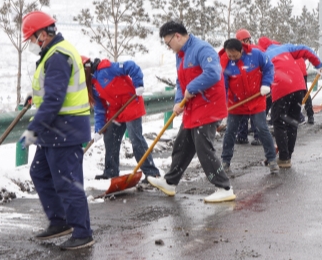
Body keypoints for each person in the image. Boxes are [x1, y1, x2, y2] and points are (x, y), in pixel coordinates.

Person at [18, 11, 94, 250]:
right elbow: (49, 91)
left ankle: (82, 233)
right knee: (40, 172)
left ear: (43, 34)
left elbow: (54, 99)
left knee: (68, 182)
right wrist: (34, 96)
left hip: (65, 130)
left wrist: (33, 130)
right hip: (56, 130)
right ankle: (59, 221)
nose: (31, 44)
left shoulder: (58, 56)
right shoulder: (52, 53)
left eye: (31, 38)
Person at [148, 21, 235, 203]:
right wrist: (179, 100)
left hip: (208, 106)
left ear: (177, 36)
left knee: (204, 148)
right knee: (182, 145)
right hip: (192, 107)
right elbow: (181, 82)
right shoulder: (181, 55)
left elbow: (213, 72)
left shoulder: (202, 49)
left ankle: (224, 187)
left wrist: (193, 88)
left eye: (168, 42)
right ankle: (170, 182)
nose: (169, 47)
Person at [81, 56, 161, 182]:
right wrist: (99, 129)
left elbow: (131, 66)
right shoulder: (93, 84)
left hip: (131, 103)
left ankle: (152, 173)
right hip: (116, 110)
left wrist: (138, 83)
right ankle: (111, 172)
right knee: (110, 138)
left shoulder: (106, 68)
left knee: (135, 138)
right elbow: (100, 108)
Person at [258, 37, 322, 168]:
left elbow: (258, 74)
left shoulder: (263, 55)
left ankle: (283, 157)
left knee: (279, 122)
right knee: (292, 121)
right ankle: (287, 156)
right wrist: (318, 64)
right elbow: (305, 49)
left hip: (281, 86)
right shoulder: (285, 48)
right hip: (299, 86)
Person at [220, 38, 278, 175]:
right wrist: (223, 104)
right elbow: (223, 86)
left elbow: (269, 67)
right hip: (236, 103)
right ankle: (225, 162)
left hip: (256, 99)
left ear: (242, 50)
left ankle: (271, 159)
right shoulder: (224, 62)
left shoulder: (256, 55)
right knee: (230, 131)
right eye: (230, 56)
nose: (232, 58)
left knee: (262, 128)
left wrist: (266, 83)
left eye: (235, 55)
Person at [296, 58, 315, 124]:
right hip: (301, 70)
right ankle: (310, 116)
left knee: (295, 94)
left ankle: (298, 116)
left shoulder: (281, 51)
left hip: (295, 71)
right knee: (305, 93)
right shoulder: (295, 50)